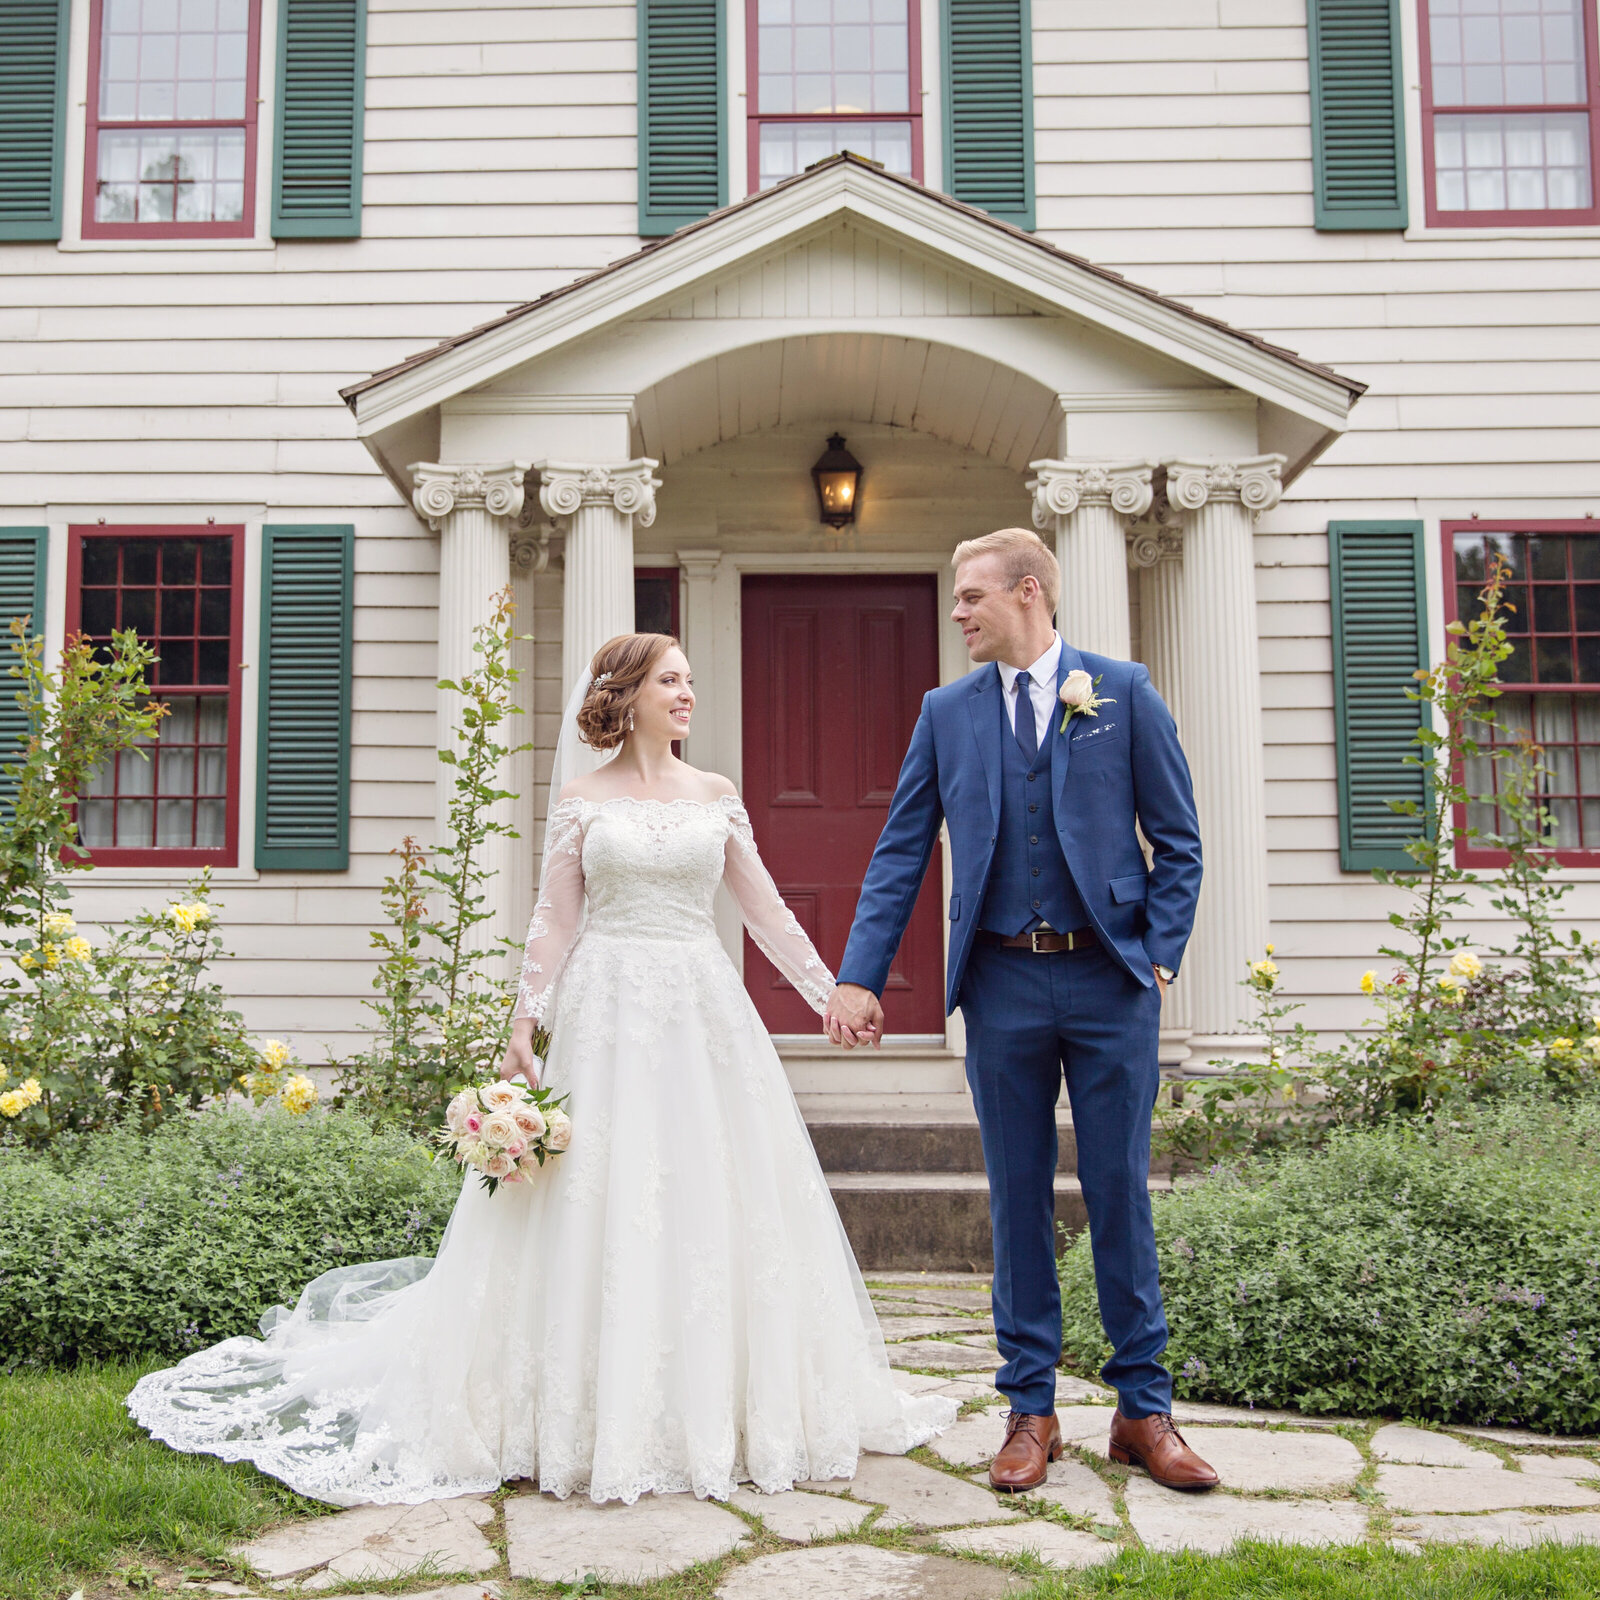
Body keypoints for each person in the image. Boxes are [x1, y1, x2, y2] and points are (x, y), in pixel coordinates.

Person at [127, 632, 954, 1507]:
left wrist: (832, 993)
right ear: (628, 695)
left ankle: (719, 1405)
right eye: (673, 681)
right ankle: (571, 1410)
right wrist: (524, 1023)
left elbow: (766, 913)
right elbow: (553, 922)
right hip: (604, 1014)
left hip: (701, 1014)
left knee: (709, 1192)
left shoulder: (717, 797)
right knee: (596, 1195)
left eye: (691, 682)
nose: (689, 696)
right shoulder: (580, 801)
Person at [824, 528, 1219, 1494]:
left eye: (970, 597)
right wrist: (859, 973)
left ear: (1029, 593)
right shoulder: (946, 712)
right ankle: (1029, 1409)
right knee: (1017, 1196)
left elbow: (1180, 841)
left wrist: (1159, 960)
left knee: (1121, 1189)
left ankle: (1143, 1410)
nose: (956, 612)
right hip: (1000, 983)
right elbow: (900, 849)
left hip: (1109, 980)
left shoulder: (1123, 691)